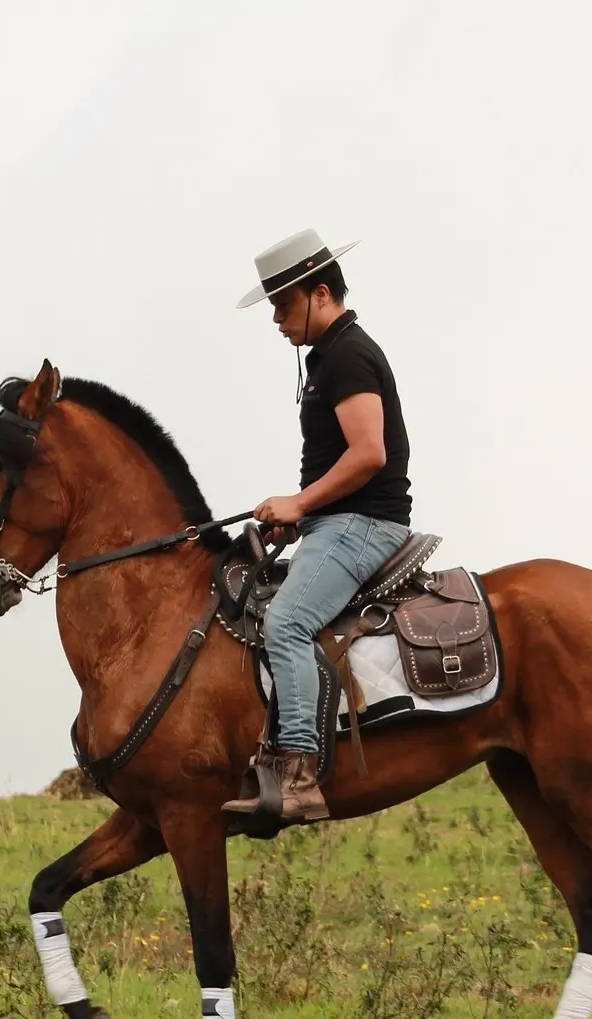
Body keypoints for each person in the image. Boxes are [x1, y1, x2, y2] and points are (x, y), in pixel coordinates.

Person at [223, 229, 413, 822]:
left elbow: (368, 454)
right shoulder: (328, 357)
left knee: (286, 624)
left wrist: (301, 504)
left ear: (320, 293)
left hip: (365, 526)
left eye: (283, 305)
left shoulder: (349, 355)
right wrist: (298, 521)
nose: (277, 319)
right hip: (339, 522)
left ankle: (300, 775)